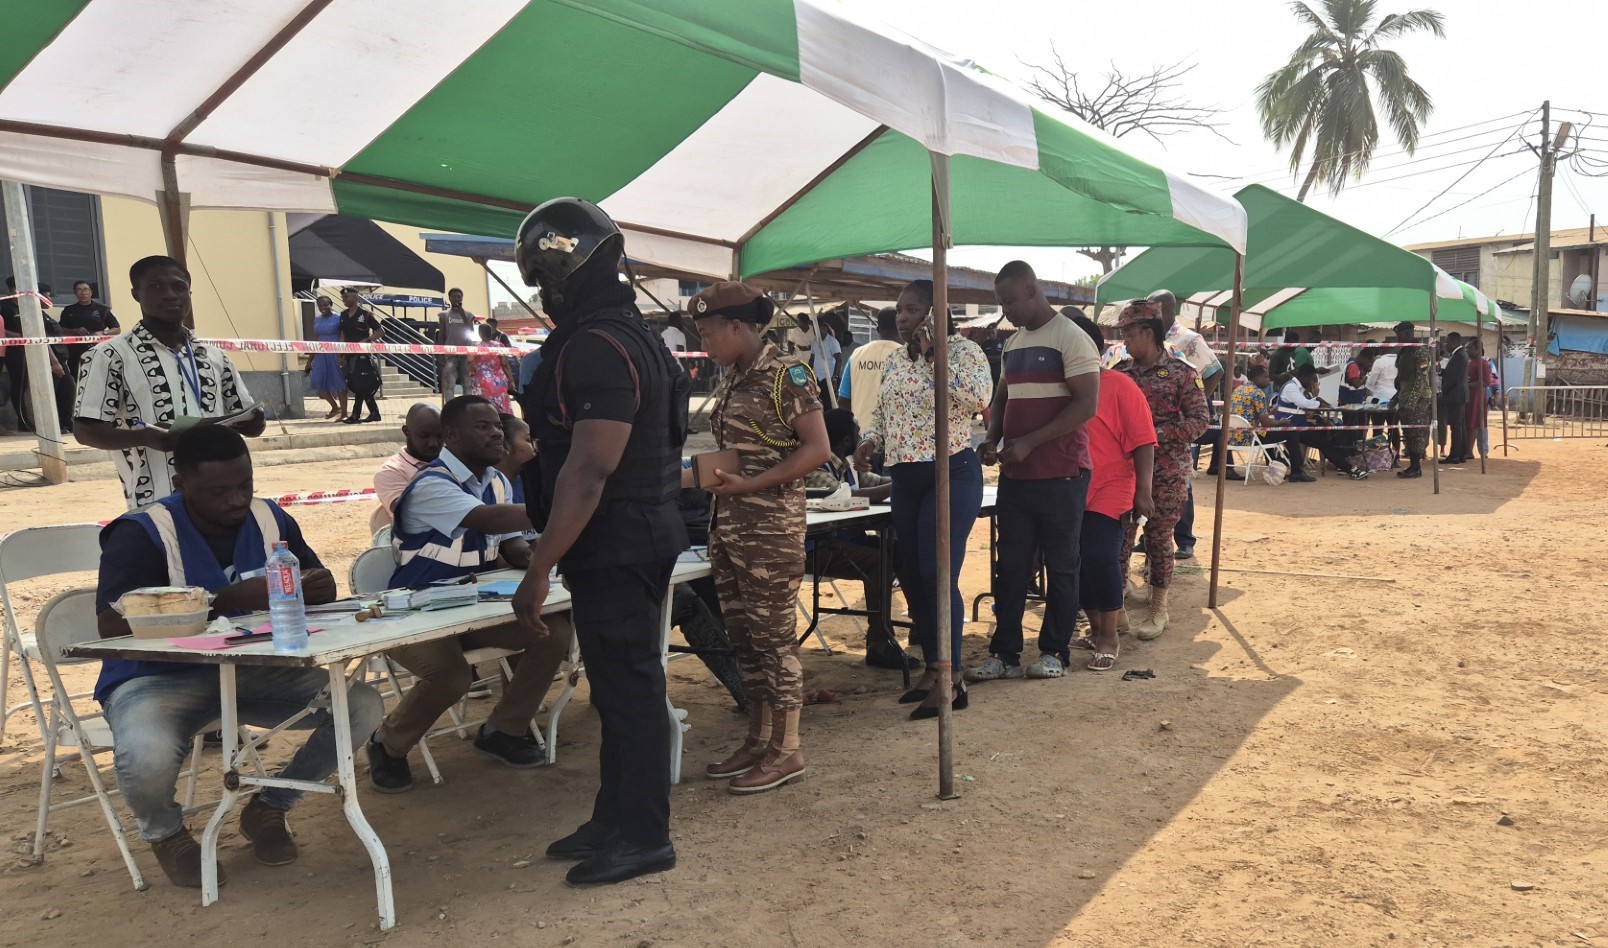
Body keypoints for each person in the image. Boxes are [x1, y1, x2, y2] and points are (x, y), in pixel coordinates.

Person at [93, 425, 383, 888]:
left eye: (244, 485)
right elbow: (109, 625)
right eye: (218, 491)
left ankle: (269, 807)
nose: (235, 500)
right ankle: (167, 835)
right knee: (145, 755)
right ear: (182, 482)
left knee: (362, 705)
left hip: (257, 668)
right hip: (157, 677)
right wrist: (222, 599)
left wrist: (319, 586)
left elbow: (309, 575)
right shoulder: (142, 532)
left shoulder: (271, 519)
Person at [511, 197, 688, 886]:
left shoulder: (595, 344)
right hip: (636, 534)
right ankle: (615, 818)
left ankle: (644, 836)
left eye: (544, 281)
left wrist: (539, 568)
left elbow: (589, 471)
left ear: (563, 271)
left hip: (617, 540)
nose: (543, 296)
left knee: (631, 690)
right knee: (618, 690)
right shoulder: (631, 333)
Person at [366, 395, 569, 792]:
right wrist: (568, 506)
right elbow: (487, 519)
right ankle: (387, 745)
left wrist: (552, 560)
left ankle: (502, 730)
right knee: (451, 675)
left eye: (497, 425)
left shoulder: (495, 481)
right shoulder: (430, 484)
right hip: (415, 613)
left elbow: (513, 546)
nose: (497, 432)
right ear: (451, 436)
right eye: (483, 426)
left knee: (552, 631)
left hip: (469, 609)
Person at [689, 281, 829, 793]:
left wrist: (753, 484)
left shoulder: (786, 373)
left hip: (769, 529)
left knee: (775, 644)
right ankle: (759, 740)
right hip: (730, 527)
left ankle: (787, 751)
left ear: (737, 326)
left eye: (708, 332)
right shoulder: (733, 376)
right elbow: (739, 454)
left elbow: (816, 449)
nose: (704, 342)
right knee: (745, 642)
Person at [853, 279, 992, 719]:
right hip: (905, 478)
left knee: (937, 573)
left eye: (912, 309)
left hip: (951, 471)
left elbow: (978, 399)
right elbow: (882, 410)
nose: (902, 316)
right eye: (900, 309)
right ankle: (933, 666)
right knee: (912, 574)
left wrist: (937, 357)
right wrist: (870, 438)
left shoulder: (965, 352)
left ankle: (953, 679)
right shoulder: (896, 359)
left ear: (936, 313)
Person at [968, 260, 1100, 683]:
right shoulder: (1013, 345)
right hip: (1017, 476)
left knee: (1061, 566)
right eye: (1000, 303)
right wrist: (992, 438)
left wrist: (1029, 443)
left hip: (1062, 474)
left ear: (1031, 289)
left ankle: (1055, 652)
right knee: (1011, 566)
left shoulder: (1072, 338)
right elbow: (1002, 401)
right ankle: (1004, 653)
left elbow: (1085, 406)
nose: (1006, 310)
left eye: (1009, 300)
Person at [74, 255, 266, 510]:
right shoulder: (108, 356)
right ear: (136, 294)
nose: (170, 295)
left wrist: (254, 422)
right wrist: (144, 436)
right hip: (156, 500)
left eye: (179, 287)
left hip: (223, 501)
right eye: (155, 287)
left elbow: (248, 420)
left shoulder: (213, 356)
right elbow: (84, 430)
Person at [1114, 300, 1209, 640]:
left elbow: (1201, 421)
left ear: (1148, 333)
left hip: (1166, 471)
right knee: (1120, 539)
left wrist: (1156, 435)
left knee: (1158, 538)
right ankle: (1117, 610)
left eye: (1129, 333)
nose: (1124, 341)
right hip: (1123, 472)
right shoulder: (1119, 374)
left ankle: (1159, 608)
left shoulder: (1183, 373)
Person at [1066, 314, 1153, 671]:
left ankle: (1109, 635)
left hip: (1110, 486)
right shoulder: (1059, 386)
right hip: (1068, 486)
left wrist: (1143, 491)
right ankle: (1098, 623)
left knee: (1099, 555)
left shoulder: (1119, 386)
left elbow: (1143, 440)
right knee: (1074, 561)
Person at [803, 408, 913, 671]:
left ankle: (920, 623)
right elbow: (851, 497)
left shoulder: (845, 467)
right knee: (878, 562)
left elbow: (875, 482)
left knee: (901, 551)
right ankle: (879, 643)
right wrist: (904, 485)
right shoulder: (817, 468)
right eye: (856, 432)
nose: (860, 435)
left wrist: (901, 480)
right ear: (845, 441)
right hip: (818, 547)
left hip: (844, 542)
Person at [372, 402, 442, 531]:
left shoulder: (453, 460)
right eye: (424, 436)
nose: (433, 443)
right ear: (406, 432)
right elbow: (407, 512)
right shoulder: (391, 471)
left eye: (439, 436)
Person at [836, 306, 901, 433]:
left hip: (861, 436)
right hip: (895, 436)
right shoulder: (907, 355)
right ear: (900, 326)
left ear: (877, 329)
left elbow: (843, 400)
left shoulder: (857, 354)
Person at [1388, 322, 1432, 478]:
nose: (1398, 338)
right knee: (1407, 432)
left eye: (1400, 334)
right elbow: (1402, 380)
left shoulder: (1420, 351)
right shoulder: (1404, 351)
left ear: (1408, 334)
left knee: (1416, 432)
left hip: (1418, 399)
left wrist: (1411, 402)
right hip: (1405, 396)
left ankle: (1416, 466)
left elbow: (1420, 379)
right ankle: (1413, 466)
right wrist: (1396, 398)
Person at [56, 279, 119, 381]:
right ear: (75, 293)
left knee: (100, 377)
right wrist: (75, 331)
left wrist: (102, 333)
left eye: (85, 289)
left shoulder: (103, 310)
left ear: (91, 292)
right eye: (79, 290)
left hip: (98, 350)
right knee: (78, 379)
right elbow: (61, 329)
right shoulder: (68, 310)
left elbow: (116, 329)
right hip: (75, 352)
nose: (83, 292)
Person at [338, 288, 382, 425]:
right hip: (350, 355)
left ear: (355, 297)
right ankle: (375, 413)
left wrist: (368, 339)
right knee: (360, 385)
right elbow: (343, 336)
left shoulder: (366, 315)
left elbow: (380, 331)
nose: (344, 300)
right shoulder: (343, 315)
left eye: (346, 297)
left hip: (363, 356)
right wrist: (341, 354)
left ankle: (355, 416)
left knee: (360, 384)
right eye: (343, 297)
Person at [308, 295, 347, 421]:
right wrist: (310, 359)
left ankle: (344, 413)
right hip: (320, 355)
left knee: (339, 384)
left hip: (334, 354)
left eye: (326, 305)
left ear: (331, 304)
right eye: (320, 305)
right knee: (320, 384)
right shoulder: (317, 320)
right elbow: (315, 338)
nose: (323, 307)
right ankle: (335, 407)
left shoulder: (339, 318)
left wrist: (341, 354)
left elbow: (343, 335)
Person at [437, 287, 477, 401]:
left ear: (462, 298)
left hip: (465, 354)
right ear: (449, 298)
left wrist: (462, 314)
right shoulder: (444, 315)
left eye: (459, 297)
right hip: (450, 354)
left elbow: (470, 331)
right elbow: (442, 334)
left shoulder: (468, 315)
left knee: (467, 383)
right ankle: (450, 406)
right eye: (454, 296)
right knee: (450, 383)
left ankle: (468, 405)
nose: (456, 299)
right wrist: (440, 353)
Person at [468, 322, 514, 414]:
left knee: (484, 407)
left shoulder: (475, 345)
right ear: (491, 333)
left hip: (482, 380)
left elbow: (470, 360)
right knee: (502, 406)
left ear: (479, 333)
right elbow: (505, 364)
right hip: (499, 380)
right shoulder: (500, 345)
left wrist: (471, 371)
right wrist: (511, 380)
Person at [1440, 331, 1471, 463]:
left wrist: (1443, 390)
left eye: (1447, 342)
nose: (1445, 346)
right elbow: (1452, 373)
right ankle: (1461, 453)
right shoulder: (1459, 355)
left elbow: (1453, 378)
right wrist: (1442, 371)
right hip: (1459, 394)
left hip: (1455, 395)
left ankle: (1455, 455)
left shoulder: (1459, 356)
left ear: (1454, 342)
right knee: (1459, 425)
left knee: (1456, 426)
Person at [1466, 338, 1494, 460]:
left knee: (1473, 423)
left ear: (1478, 350)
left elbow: (1486, 382)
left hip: (1476, 396)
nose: (1467, 351)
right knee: (1467, 423)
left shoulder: (1482, 363)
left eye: (1470, 348)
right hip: (1469, 395)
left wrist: (1468, 384)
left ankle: (1469, 451)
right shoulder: (1470, 362)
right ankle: (1467, 449)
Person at [810, 320, 841, 409]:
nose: (815, 331)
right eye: (814, 329)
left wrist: (835, 377)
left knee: (828, 403)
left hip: (828, 377)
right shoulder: (814, 342)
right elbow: (812, 359)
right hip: (816, 377)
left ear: (825, 328)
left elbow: (839, 360)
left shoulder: (832, 342)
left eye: (817, 328)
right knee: (817, 402)